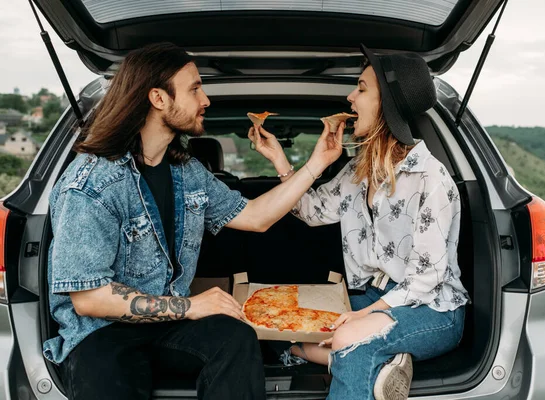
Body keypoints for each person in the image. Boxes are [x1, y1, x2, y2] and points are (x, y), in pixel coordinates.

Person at [44, 42, 345, 400]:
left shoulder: (187, 173)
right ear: (158, 98)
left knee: (235, 339)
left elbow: (257, 217)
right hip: (101, 332)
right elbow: (89, 298)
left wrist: (317, 164)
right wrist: (191, 305)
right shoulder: (92, 181)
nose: (206, 100)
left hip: (168, 325)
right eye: (195, 88)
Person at [248, 44, 470, 400]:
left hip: (432, 309)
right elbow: (310, 210)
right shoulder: (356, 171)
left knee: (350, 337)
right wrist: (280, 160)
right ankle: (373, 367)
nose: (350, 98)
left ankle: (348, 356)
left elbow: (426, 279)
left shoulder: (431, 179)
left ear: (389, 104)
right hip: (374, 294)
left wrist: (361, 316)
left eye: (362, 89)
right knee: (276, 325)